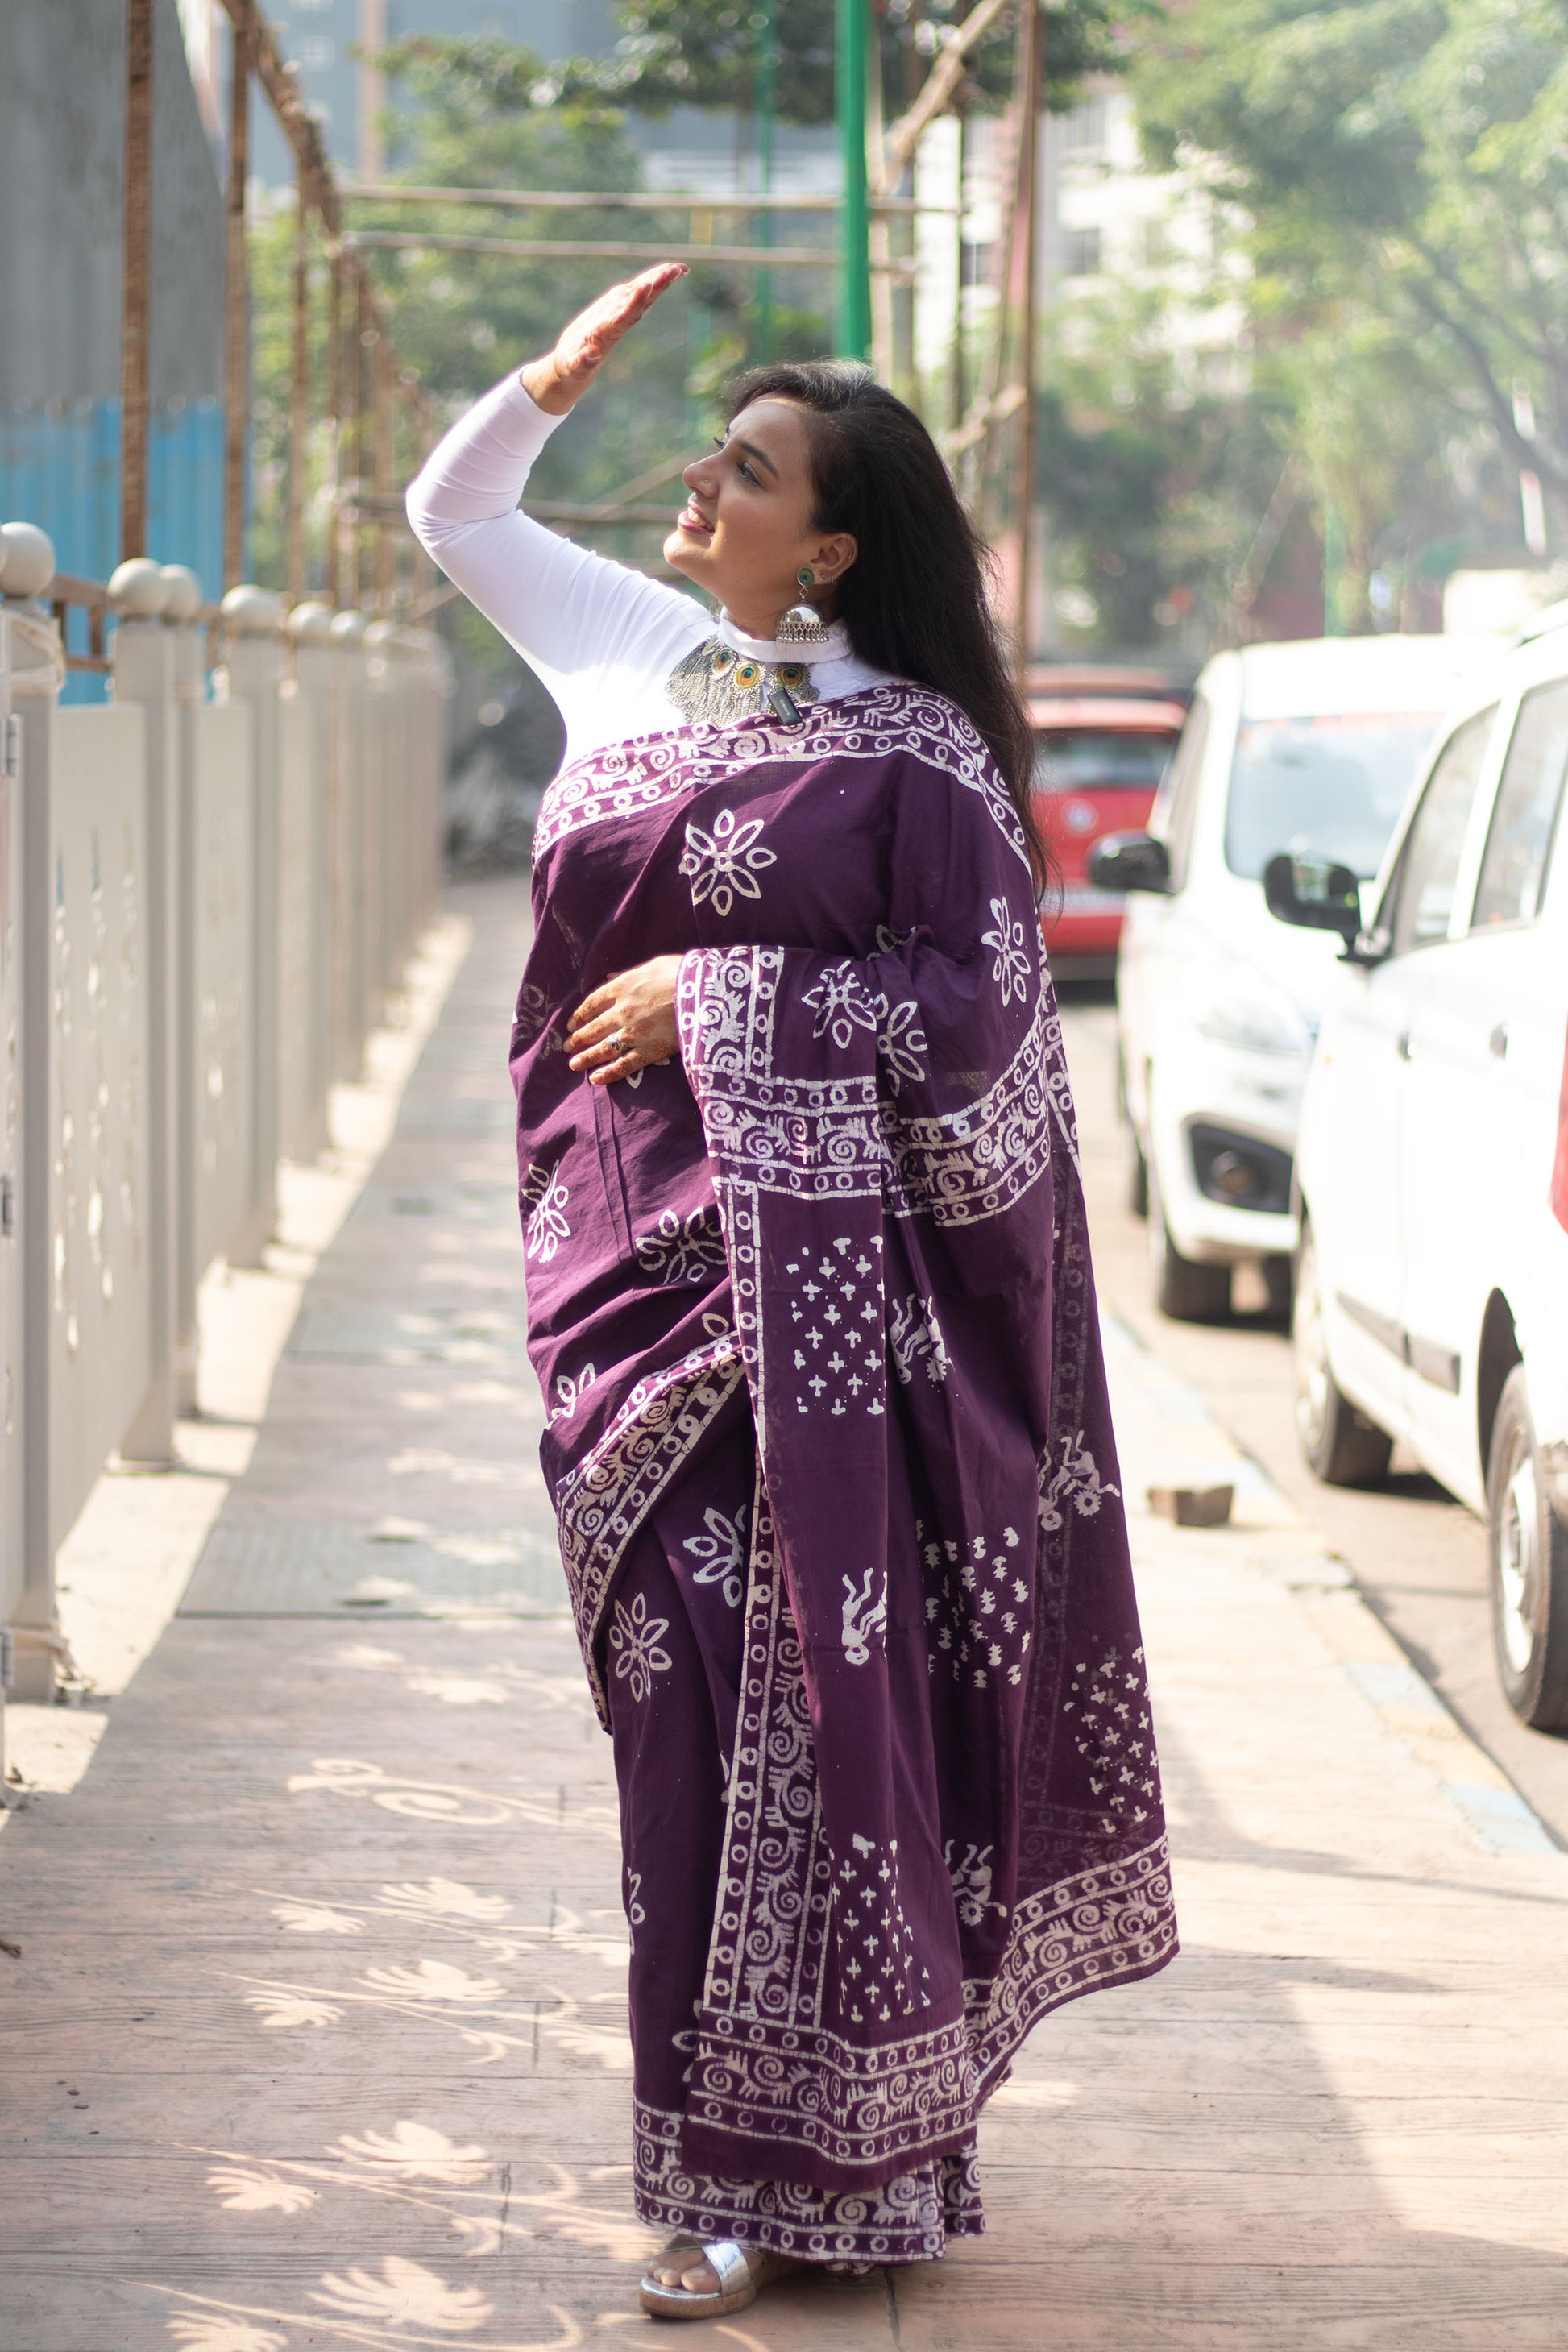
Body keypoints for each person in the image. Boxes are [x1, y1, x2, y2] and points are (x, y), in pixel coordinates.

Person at [406, 266, 1176, 2322]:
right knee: (674, 1710)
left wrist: (726, 995)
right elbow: (454, 516)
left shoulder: (914, 754)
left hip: (841, 1327)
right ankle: (746, 2147)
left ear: (827, 543)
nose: (700, 478)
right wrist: (547, 380)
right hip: (626, 1285)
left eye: (744, 468)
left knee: (826, 1714)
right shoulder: (626, 652)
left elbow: (982, 1021)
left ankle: (785, 2175)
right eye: (711, 450)